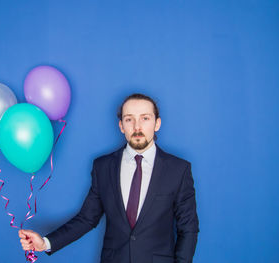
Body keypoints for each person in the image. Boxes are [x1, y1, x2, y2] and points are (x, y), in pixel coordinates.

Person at [19, 93, 199, 263]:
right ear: (121, 126)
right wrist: (45, 243)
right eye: (129, 119)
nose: (137, 127)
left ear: (157, 123)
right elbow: (87, 219)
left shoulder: (178, 170)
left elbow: (188, 229)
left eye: (145, 118)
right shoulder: (103, 167)